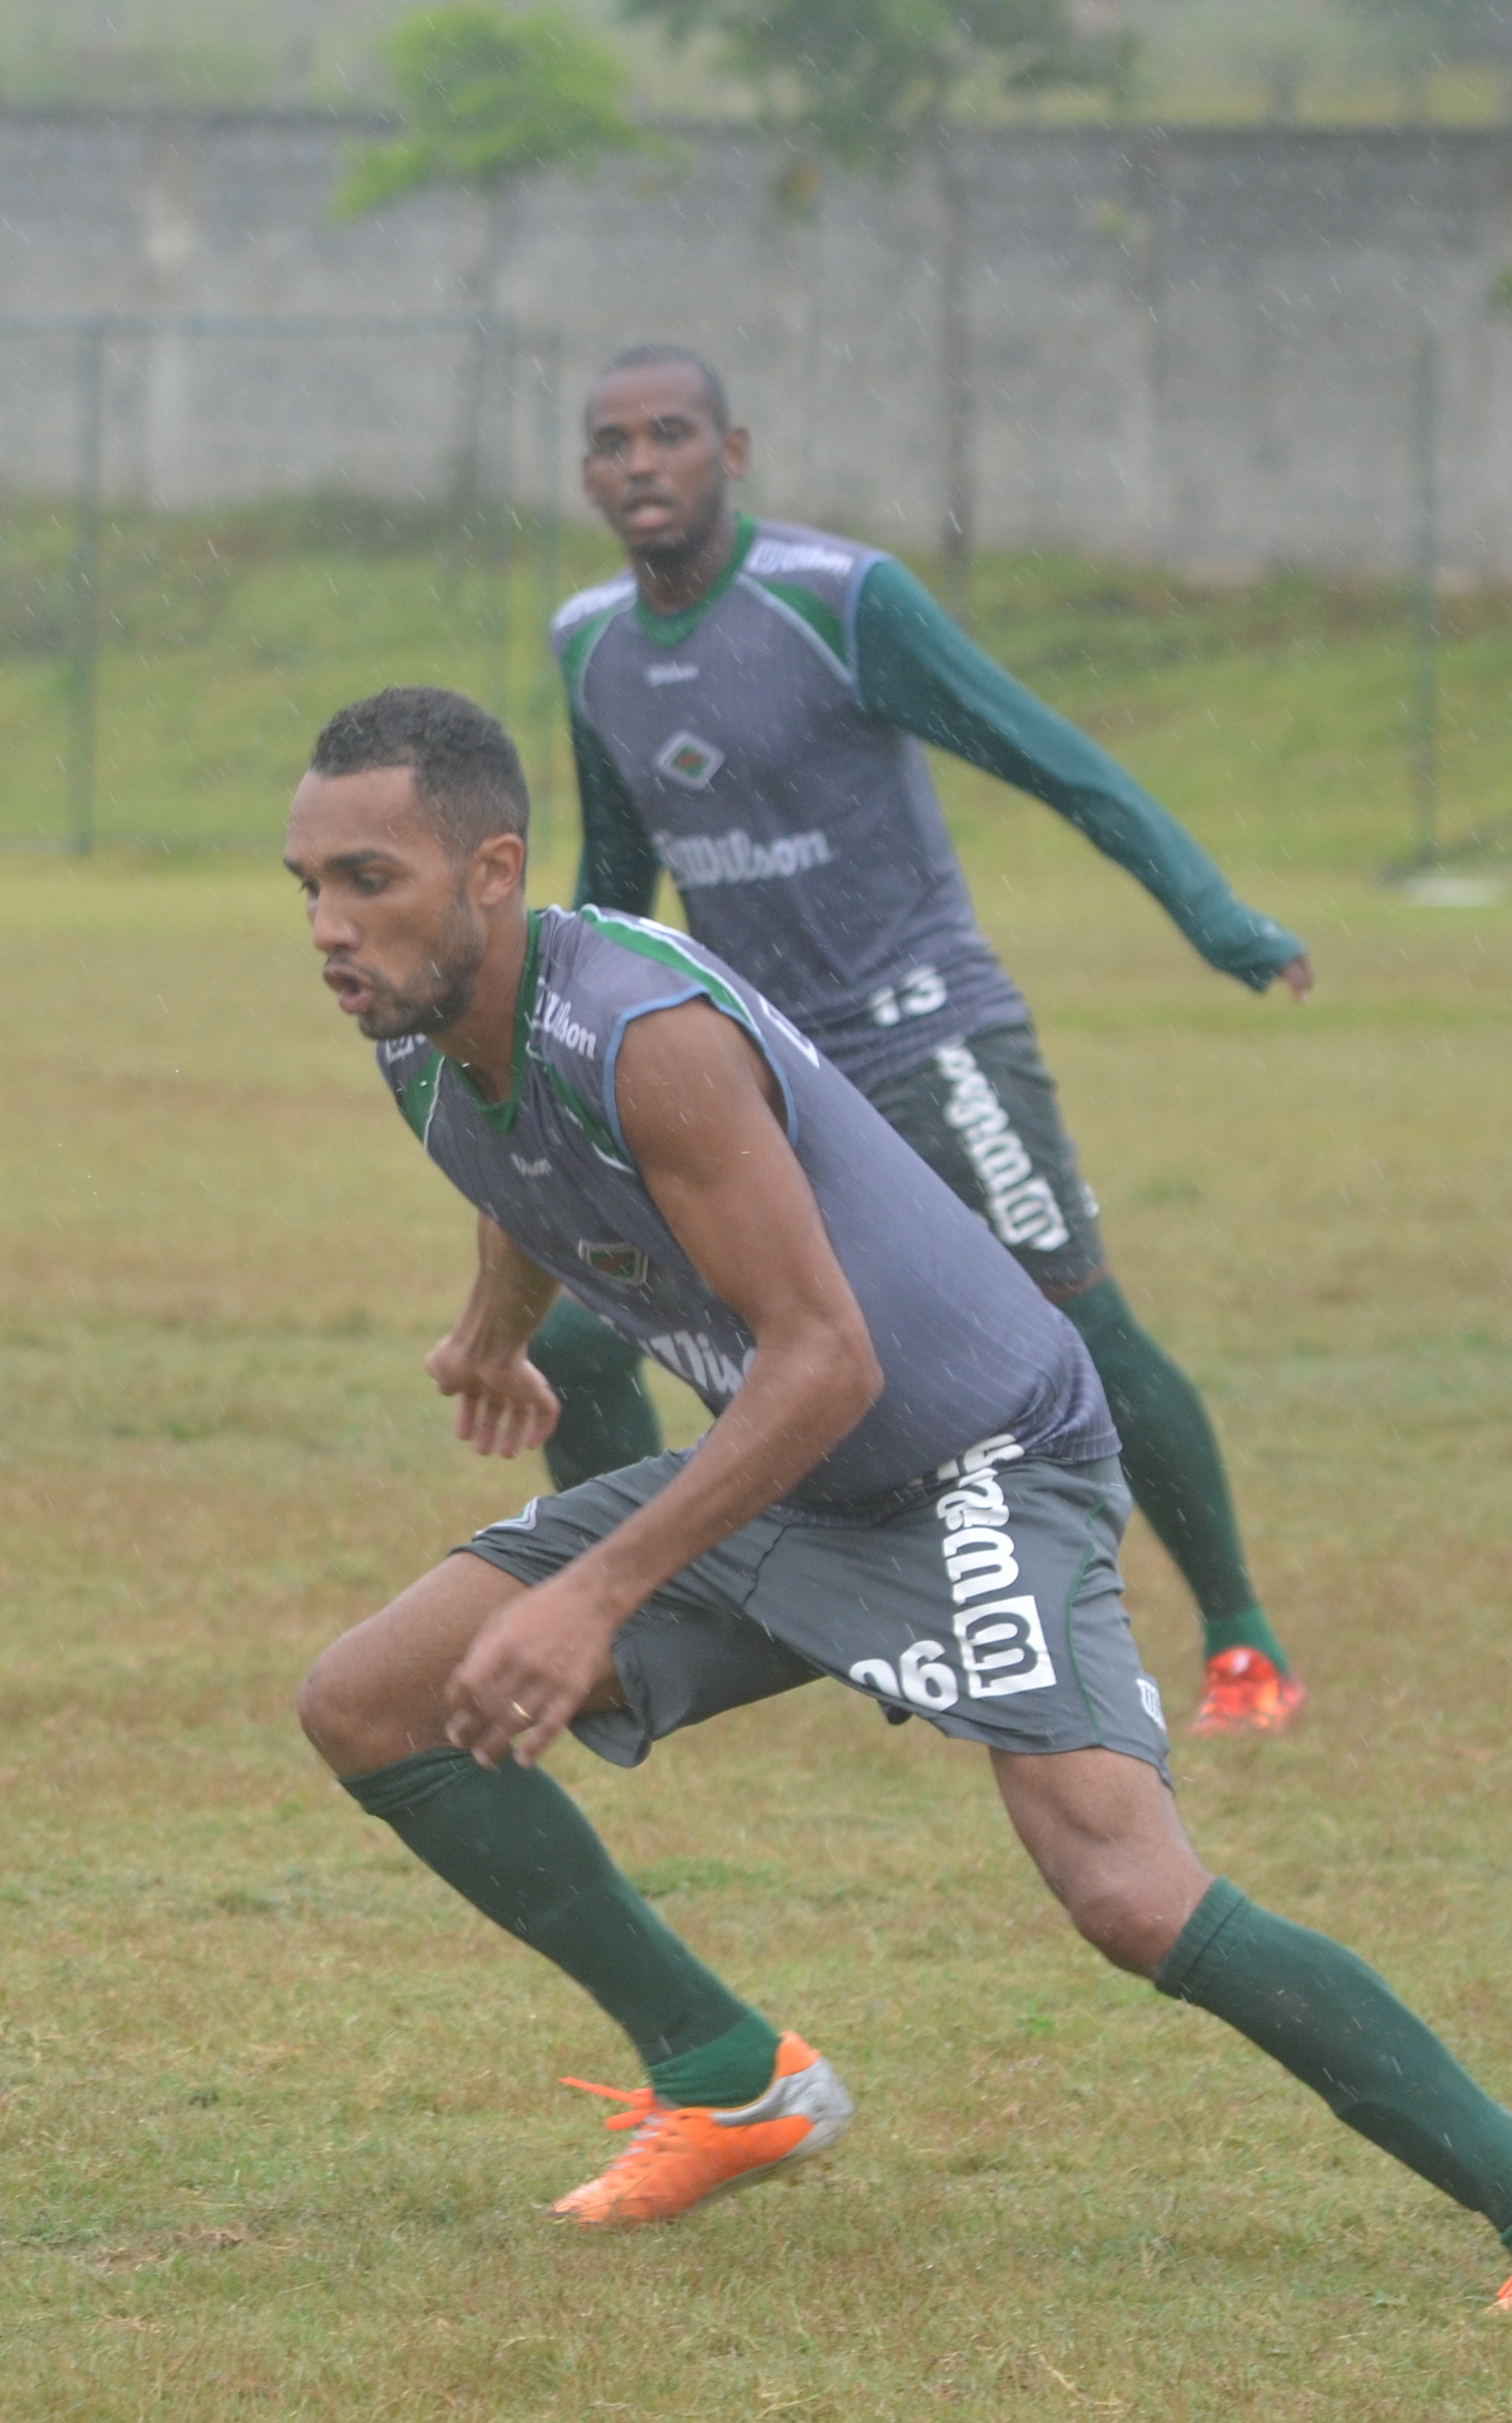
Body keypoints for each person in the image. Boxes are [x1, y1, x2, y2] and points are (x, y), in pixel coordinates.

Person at [282, 686, 1512, 2313]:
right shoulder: (420, 1030)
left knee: (1125, 1891)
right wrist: (492, 1330)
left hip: (974, 1457)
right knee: (367, 1701)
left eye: (366, 879)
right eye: (305, 884)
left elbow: (826, 1360)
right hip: (796, 1463)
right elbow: (523, 1164)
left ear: (490, 870)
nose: (327, 925)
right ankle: (726, 2071)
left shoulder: (645, 1034)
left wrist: (592, 1588)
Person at [550, 345, 1312, 1738]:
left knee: (1078, 1320)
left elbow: (1051, 758)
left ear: (737, 449)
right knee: (580, 1333)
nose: (640, 463)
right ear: (586, 471)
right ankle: (614, 1632)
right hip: (754, 1070)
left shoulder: (845, 602)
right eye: (612, 443)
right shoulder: (589, 643)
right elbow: (612, 880)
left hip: (925, 1038)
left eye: (671, 435)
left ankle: (1243, 1641)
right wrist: (561, 1056)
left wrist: (1216, 915)